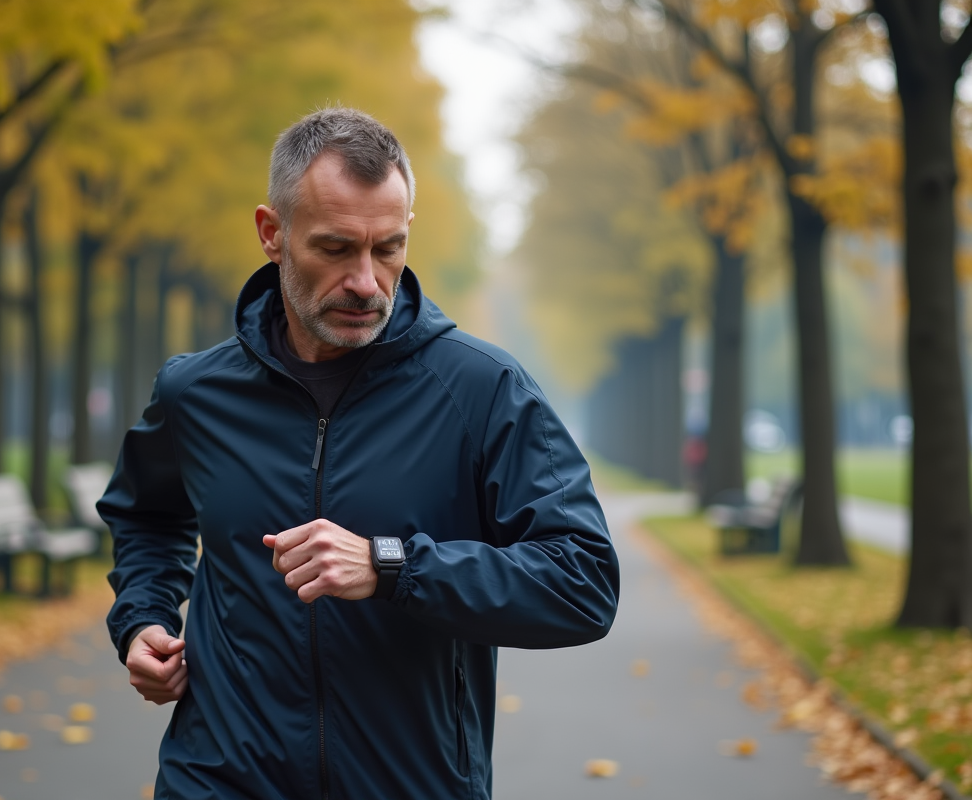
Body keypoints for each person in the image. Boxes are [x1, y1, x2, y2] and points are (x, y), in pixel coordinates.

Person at [100, 107, 620, 800]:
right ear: (272, 234)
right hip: (217, 778)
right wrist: (145, 619)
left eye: (389, 248)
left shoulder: (482, 390)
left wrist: (393, 564)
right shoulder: (197, 392)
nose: (368, 282)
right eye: (337, 248)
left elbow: (582, 583)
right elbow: (147, 516)